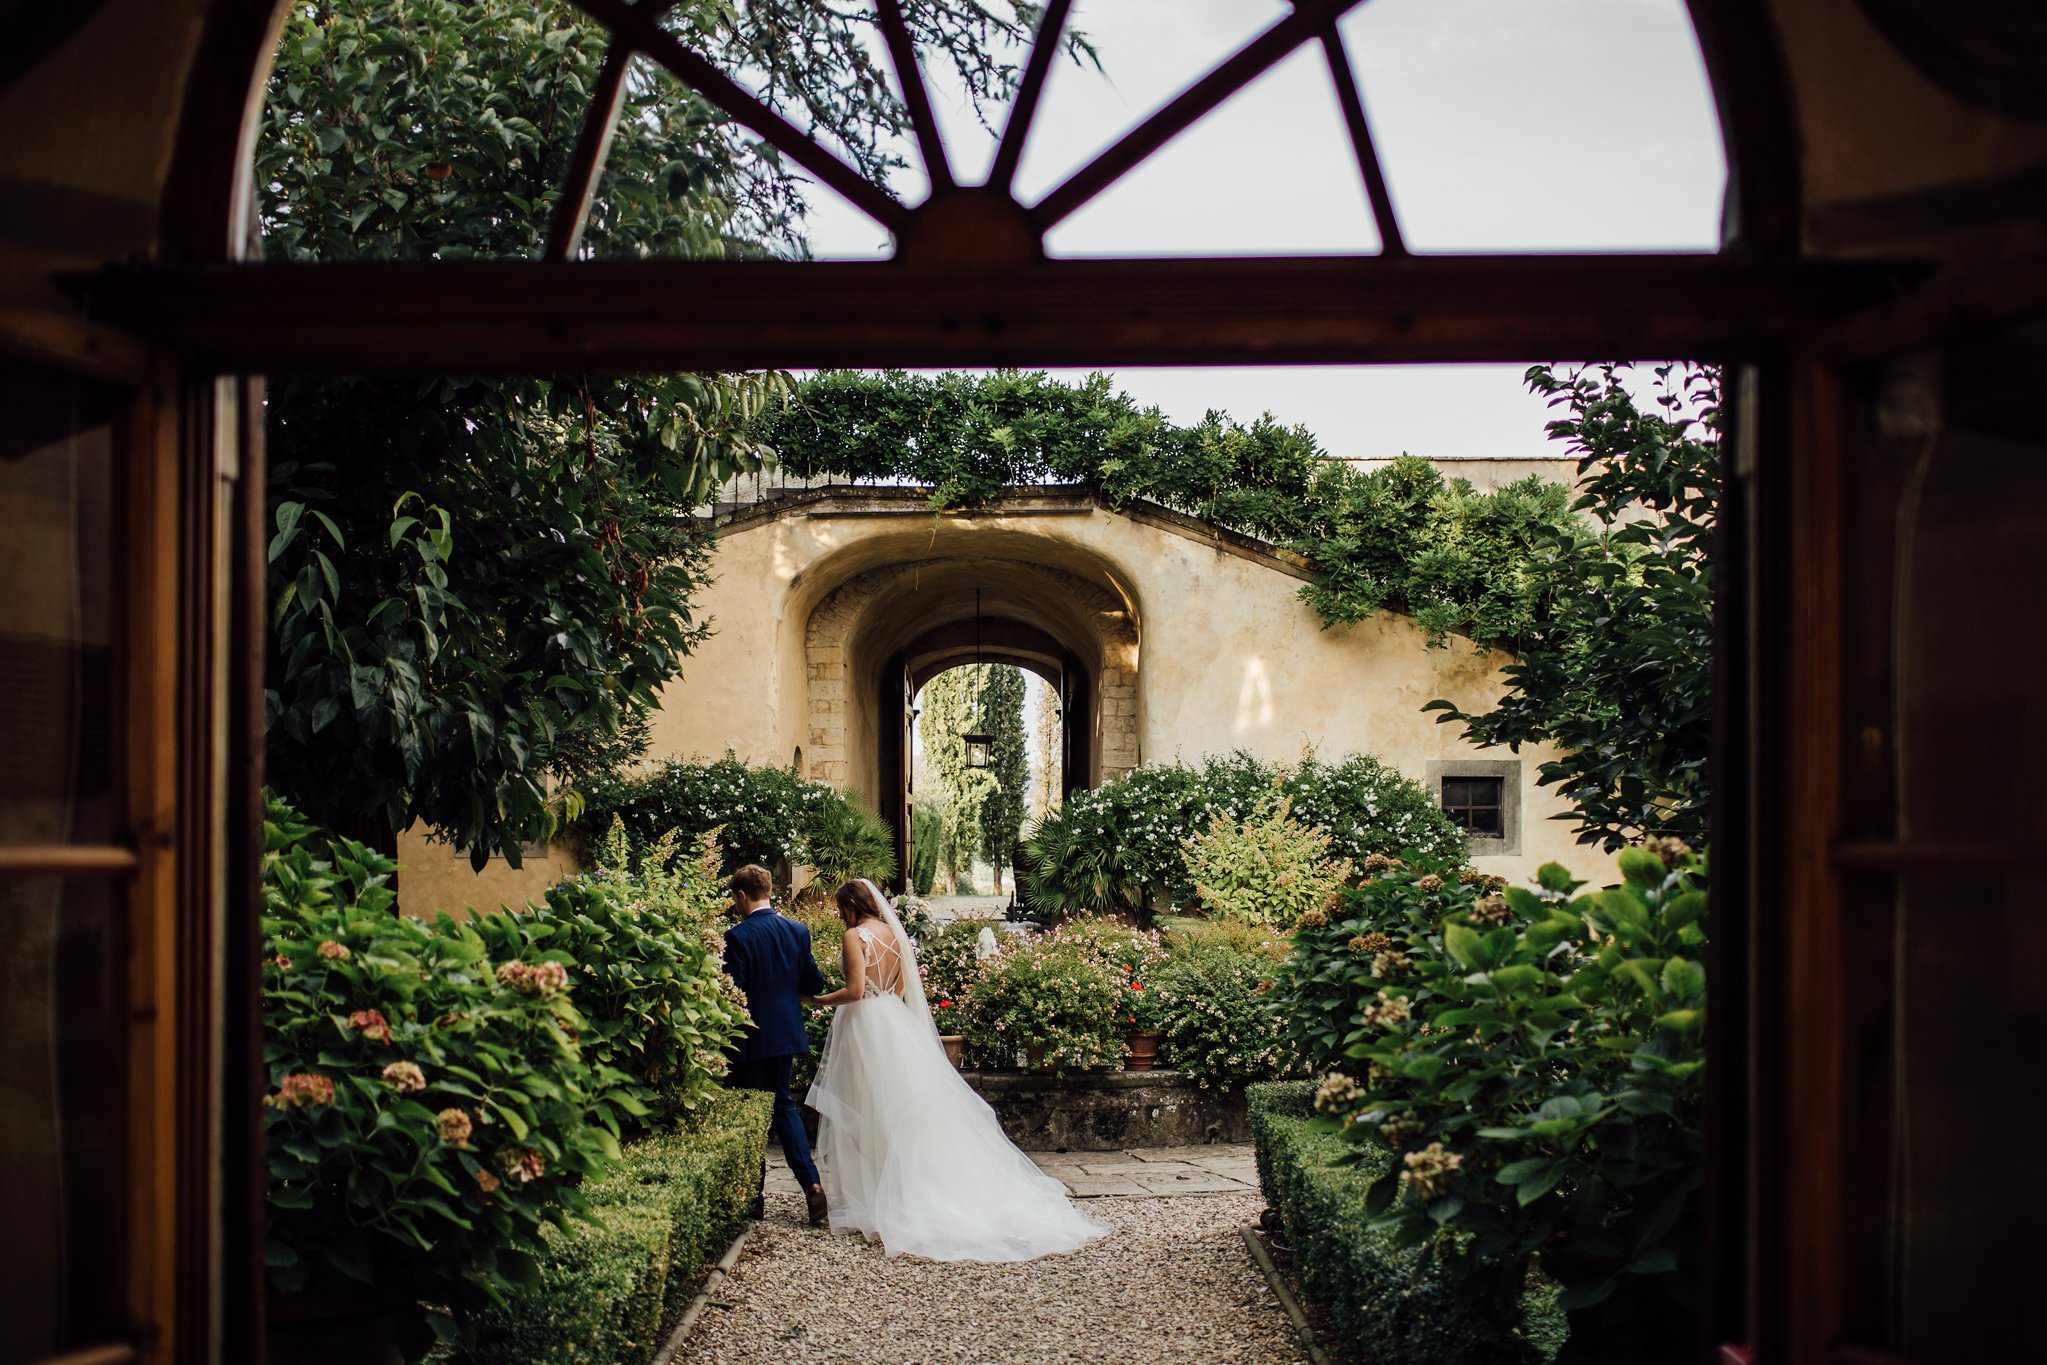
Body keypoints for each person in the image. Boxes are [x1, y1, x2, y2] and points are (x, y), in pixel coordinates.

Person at [803, 878, 1108, 1261]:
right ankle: (901, 1192)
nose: (838, 914)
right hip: (893, 1024)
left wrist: (814, 999)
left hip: (864, 1025)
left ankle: (877, 1198)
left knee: (867, 1110)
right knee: (901, 1111)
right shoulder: (893, 935)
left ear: (849, 906)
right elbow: (897, 990)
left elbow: (853, 990)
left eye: (839, 907)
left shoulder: (855, 936)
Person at [721, 864, 829, 1227]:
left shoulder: (737, 937)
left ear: (741, 896)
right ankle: (812, 1186)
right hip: (785, 1033)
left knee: (750, 1111)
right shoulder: (797, 931)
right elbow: (813, 983)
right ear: (768, 891)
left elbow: (731, 992)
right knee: (783, 1106)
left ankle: (754, 1199)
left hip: (749, 1036)